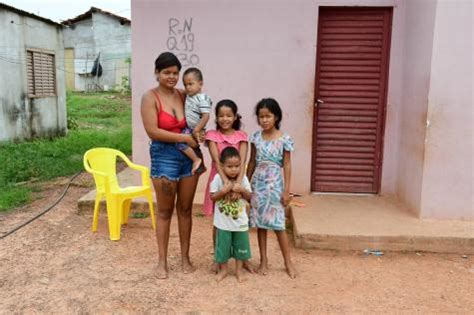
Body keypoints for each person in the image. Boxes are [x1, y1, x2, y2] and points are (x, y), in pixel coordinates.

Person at [140, 52, 203, 279]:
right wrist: (183, 139)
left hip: (189, 156)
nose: (172, 77)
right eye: (167, 72)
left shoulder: (184, 95)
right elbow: (152, 131)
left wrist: (199, 133)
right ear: (157, 73)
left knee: (185, 210)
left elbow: (199, 115)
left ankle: (185, 258)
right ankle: (162, 262)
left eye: (175, 72)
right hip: (164, 155)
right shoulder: (150, 97)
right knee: (165, 211)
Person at [247, 98, 298, 279]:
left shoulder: (285, 139)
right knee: (261, 224)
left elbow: (287, 164)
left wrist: (287, 190)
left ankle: (288, 262)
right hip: (258, 185)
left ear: (276, 117)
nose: (264, 120)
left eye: (268, 116)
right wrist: (246, 184)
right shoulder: (255, 137)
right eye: (261, 117)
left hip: (276, 185)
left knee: (278, 225)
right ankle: (263, 261)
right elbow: (252, 162)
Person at [203, 100, 253, 273]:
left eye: (229, 115)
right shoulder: (212, 135)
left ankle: (243, 258)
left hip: (238, 181)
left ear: (235, 116)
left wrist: (237, 185)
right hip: (219, 182)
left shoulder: (242, 136)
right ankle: (218, 258)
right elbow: (217, 161)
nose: (225, 119)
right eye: (221, 115)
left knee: (240, 221)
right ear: (216, 117)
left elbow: (244, 161)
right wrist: (226, 184)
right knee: (218, 223)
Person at [210, 147, 252, 282]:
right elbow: (212, 197)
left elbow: (251, 197)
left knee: (241, 248)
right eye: (230, 166)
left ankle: (239, 271)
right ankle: (224, 270)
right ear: (222, 166)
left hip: (240, 223)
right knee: (222, 249)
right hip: (223, 224)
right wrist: (223, 191)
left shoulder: (243, 179)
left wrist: (242, 190)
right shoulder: (218, 178)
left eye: (237, 166)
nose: (234, 169)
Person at [177, 67, 212, 174]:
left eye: (191, 84)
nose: (188, 87)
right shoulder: (189, 95)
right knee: (191, 145)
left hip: (195, 128)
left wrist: (197, 130)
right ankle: (200, 164)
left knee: (180, 143)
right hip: (190, 128)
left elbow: (206, 116)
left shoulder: (202, 98)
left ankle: (196, 160)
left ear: (200, 83)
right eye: (185, 84)